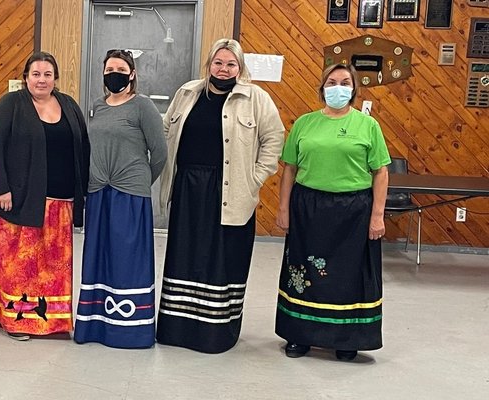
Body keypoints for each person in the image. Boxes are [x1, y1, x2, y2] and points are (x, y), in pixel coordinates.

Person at [156, 38, 285, 353]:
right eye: (218, 62)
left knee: (221, 259)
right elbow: (164, 130)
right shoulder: (187, 93)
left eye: (231, 64)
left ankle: (215, 332)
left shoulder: (255, 97)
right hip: (188, 188)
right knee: (184, 257)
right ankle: (177, 329)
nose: (224, 69)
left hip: (230, 190)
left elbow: (274, 137)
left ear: (240, 68)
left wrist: (255, 177)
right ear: (209, 64)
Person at [0, 51, 89, 340]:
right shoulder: (11, 104)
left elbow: (83, 148)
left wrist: (81, 194)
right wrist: (2, 188)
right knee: (20, 264)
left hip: (60, 203)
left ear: (55, 79)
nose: (41, 80)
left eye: (47, 74)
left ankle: (52, 321)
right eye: (36, 74)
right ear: (25, 78)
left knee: (51, 267)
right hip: (19, 200)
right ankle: (16, 320)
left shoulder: (69, 105)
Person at [275, 63, 389, 361]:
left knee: (348, 278)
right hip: (308, 209)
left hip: (353, 212)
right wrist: (283, 208)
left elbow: (380, 172)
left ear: (353, 89)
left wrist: (377, 215)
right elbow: (289, 169)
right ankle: (300, 336)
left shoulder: (368, 126)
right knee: (303, 272)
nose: (338, 87)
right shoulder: (304, 123)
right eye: (331, 82)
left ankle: (346, 338)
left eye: (345, 82)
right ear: (322, 87)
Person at [73, 49, 166, 349]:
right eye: (109, 68)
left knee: (127, 260)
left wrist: (139, 182)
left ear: (132, 74)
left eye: (120, 68)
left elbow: (160, 154)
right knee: (99, 256)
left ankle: (130, 328)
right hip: (99, 192)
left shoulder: (143, 107)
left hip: (130, 195)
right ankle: (94, 324)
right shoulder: (97, 107)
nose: (114, 73)